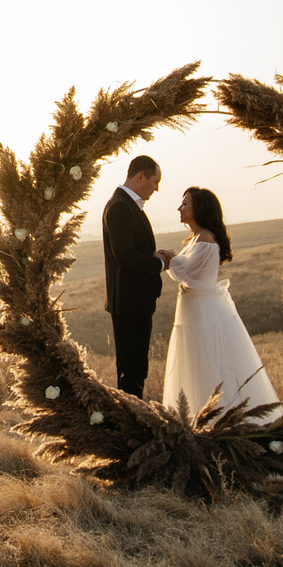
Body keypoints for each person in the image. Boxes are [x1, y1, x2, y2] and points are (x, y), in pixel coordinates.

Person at [161, 186, 279, 421]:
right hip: (191, 312)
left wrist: (172, 261)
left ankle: (217, 419)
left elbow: (200, 281)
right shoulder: (196, 239)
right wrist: (174, 261)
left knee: (209, 362)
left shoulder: (206, 239)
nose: (180, 208)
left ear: (199, 209)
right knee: (195, 364)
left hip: (203, 314)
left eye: (185, 203)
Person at [101, 155, 165, 397]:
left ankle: (131, 415)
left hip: (134, 302)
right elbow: (124, 256)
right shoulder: (120, 206)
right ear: (140, 176)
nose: (156, 188)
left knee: (135, 367)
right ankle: (131, 418)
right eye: (155, 181)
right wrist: (158, 263)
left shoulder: (126, 204)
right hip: (130, 303)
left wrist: (153, 254)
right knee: (132, 369)